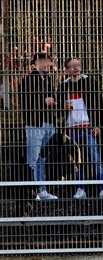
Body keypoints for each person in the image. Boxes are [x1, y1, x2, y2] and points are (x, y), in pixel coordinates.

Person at [59, 58, 103, 199]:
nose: (76, 68)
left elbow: (98, 105)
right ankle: (80, 189)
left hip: (87, 128)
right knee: (77, 162)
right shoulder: (63, 86)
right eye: (72, 67)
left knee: (96, 159)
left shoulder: (89, 82)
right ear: (66, 70)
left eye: (77, 65)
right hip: (71, 130)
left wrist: (97, 124)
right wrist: (62, 108)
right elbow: (58, 110)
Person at [19, 52, 62, 200]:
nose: (49, 64)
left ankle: (41, 190)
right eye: (47, 61)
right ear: (38, 61)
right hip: (35, 124)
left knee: (42, 158)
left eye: (50, 61)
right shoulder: (28, 79)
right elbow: (25, 102)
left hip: (48, 123)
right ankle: (31, 192)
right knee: (33, 159)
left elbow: (52, 99)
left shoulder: (47, 79)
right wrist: (43, 101)